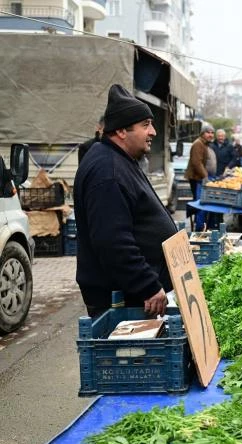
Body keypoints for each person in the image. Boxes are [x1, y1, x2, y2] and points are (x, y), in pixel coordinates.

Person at [73, 84, 177, 317]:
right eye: (145, 125)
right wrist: (146, 285)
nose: (153, 132)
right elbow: (112, 241)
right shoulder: (107, 172)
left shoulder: (120, 159)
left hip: (132, 295)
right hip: (123, 300)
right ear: (121, 131)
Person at [185, 124, 213, 200]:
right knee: (198, 200)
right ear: (202, 134)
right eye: (208, 132)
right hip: (196, 177)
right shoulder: (198, 143)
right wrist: (205, 175)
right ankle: (190, 211)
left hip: (199, 177)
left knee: (198, 199)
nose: (210, 135)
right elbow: (196, 162)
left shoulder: (204, 143)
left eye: (212, 133)